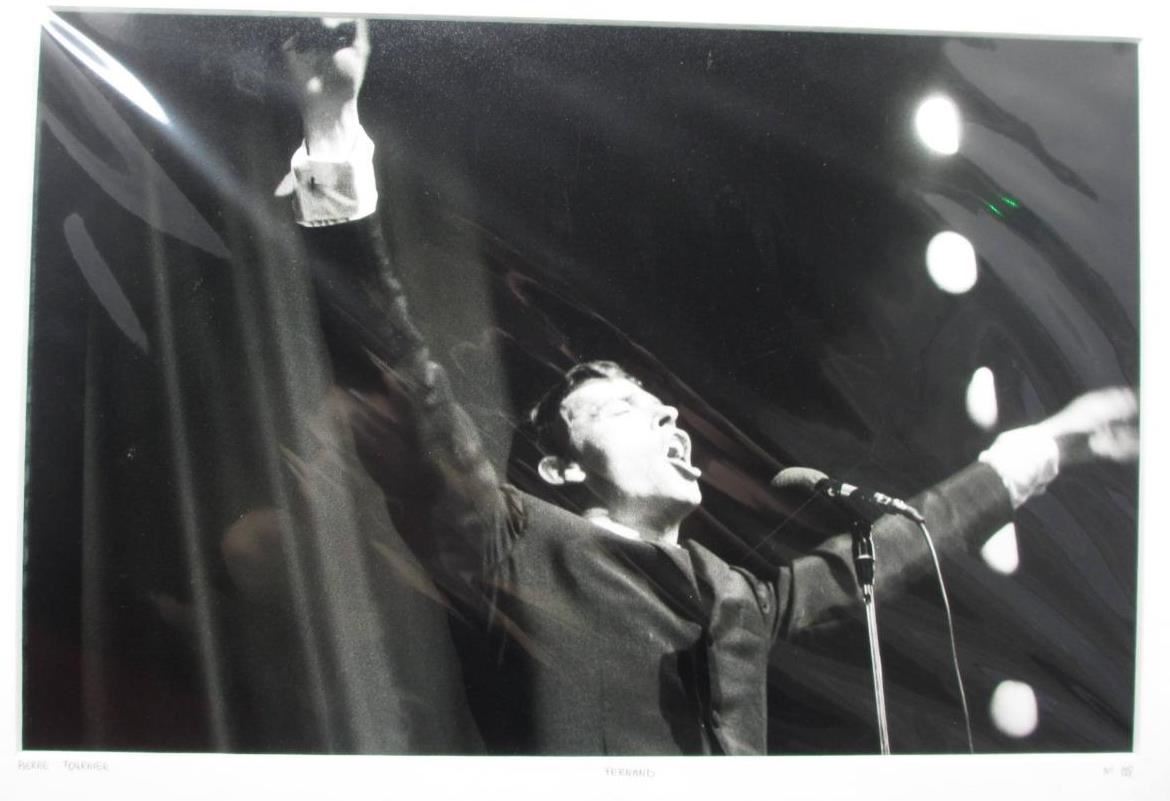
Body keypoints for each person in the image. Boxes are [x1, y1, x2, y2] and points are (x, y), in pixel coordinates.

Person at [266, 18, 1138, 755]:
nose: (670, 421)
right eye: (623, 408)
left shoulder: (738, 600)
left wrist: (1049, 442)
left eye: (662, 407)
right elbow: (399, 373)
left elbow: (903, 543)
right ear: (562, 467)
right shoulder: (509, 542)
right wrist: (331, 124)